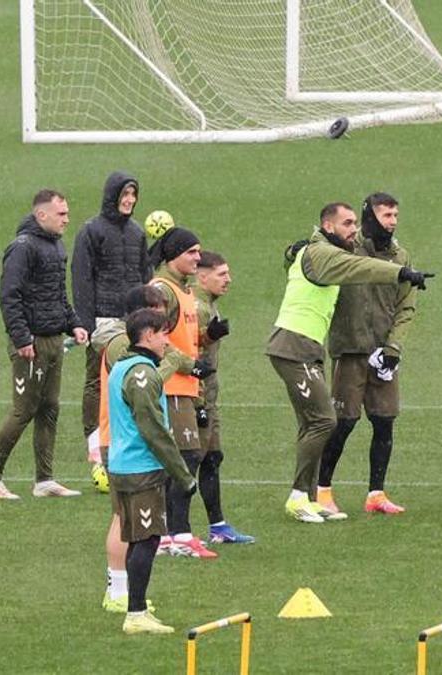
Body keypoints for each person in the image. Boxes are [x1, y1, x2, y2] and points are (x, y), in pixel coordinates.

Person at [267, 202, 432, 523]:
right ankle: (301, 496)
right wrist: (400, 273)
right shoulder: (322, 253)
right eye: (347, 223)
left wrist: (393, 345)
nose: (353, 229)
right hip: (294, 346)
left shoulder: (327, 250)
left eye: (355, 223)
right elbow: (361, 268)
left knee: (318, 422)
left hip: (308, 347)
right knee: (327, 422)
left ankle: (311, 496)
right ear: (329, 227)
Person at [0, 189, 89, 499]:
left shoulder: (55, 246)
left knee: (49, 408)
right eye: (61, 214)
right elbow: (8, 295)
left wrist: (74, 323)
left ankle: (44, 480)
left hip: (53, 340)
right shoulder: (22, 248)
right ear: (42, 215)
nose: (67, 219)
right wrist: (21, 337)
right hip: (32, 343)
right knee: (24, 409)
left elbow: (56, 295)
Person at [318, 193, 417, 516]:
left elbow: (406, 306)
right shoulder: (345, 250)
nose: (393, 221)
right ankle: (322, 491)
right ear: (370, 217)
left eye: (396, 215)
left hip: (383, 354)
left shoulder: (400, 256)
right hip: (350, 351)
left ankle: (376, 493)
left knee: (384, 422)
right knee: (343, 423)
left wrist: (393, 348)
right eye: (387, 215)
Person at [97, 285, 187, 612]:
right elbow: (153, 428)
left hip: (122, 461)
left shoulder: (123, 364)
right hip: (139, 465)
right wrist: (183, 474)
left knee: (129, 529)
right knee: (145, 540)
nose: (167, 340)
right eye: (163, 333)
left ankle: (125, 598)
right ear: (147, 334)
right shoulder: (139, 371)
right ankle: (134, 609)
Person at [72, 171, 150, 492]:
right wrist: (85, 323)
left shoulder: (136, 233)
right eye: (125, 194)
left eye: (133, 194)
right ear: (112, 196)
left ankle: (124, 447)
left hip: (132, 319)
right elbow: (81, 278)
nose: (129, 200)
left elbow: (145, 274)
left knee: (128, 380)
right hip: (103, 321)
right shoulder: (91, 231)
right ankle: (96, 453)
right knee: (98, 383)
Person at [149, 226, 218, 558]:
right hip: (171, 386)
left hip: (187, 387)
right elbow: (152, 339)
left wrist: (208, 336)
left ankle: (171, 533)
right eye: (191, 252)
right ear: (173, 254)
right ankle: (174, 534)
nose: (198, 257)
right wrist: (190, 366)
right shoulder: (162, 291)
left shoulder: (183, 290)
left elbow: (181, 338)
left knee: (186, 457)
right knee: (183, 458)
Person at [194, 251, 255, 541]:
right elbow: (185, 353)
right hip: (196, 399)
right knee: (188, 464)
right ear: (202, 277)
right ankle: (171, 533)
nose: (229, 279)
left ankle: (218, 527)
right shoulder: (198, 308)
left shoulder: (209, 306)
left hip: (208, 397)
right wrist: (197, 404)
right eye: (222, 274)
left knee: (211, 458)